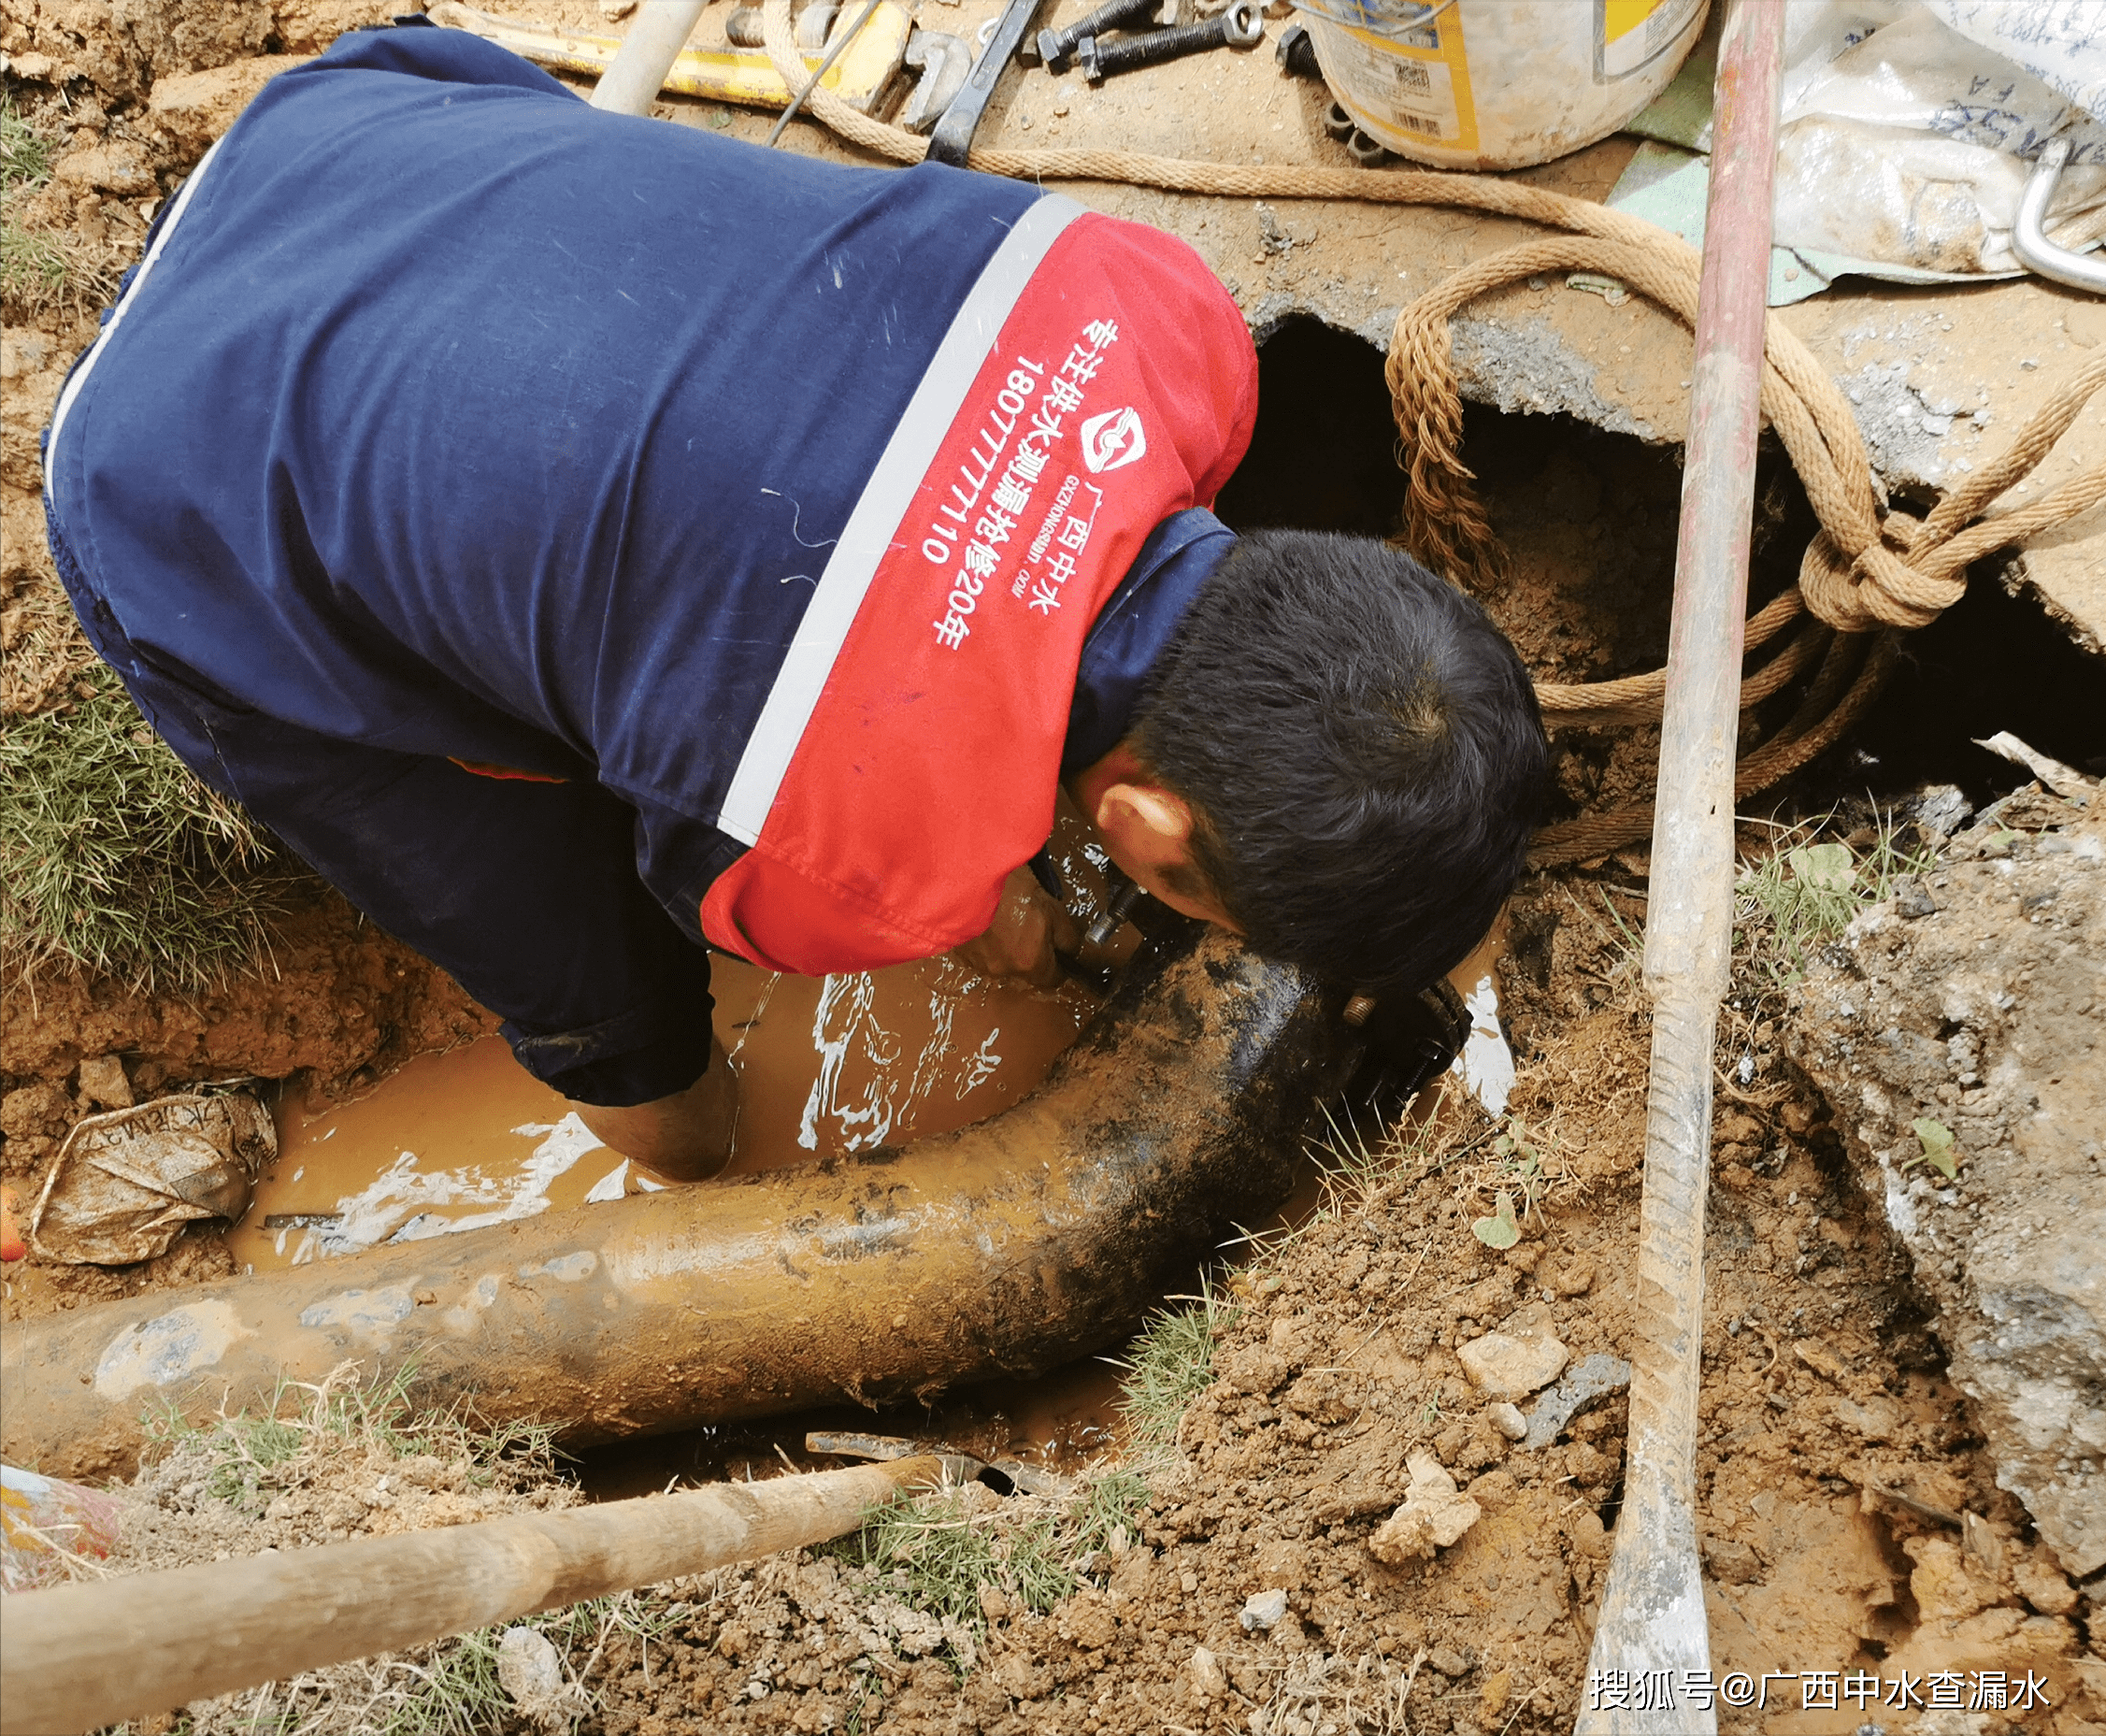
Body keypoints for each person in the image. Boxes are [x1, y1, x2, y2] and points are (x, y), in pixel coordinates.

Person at [41, 21, 1549, 1182]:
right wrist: (957, 877)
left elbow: (963, 596)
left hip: (370, 125)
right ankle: (685, 1154)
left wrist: (959, 788)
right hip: (178, 493)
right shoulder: (867, 878)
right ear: (1145, 838)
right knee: (594, 980)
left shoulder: (1168, 316)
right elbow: (670, 860)